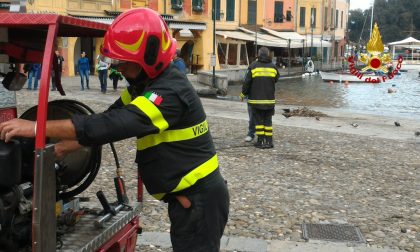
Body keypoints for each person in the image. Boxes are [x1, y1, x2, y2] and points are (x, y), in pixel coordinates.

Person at [0, 8, 229, 252]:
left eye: (123, 62)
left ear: (149, 58)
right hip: (190, 201)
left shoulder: (170, 92)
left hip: (198, 202)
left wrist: (36, 127)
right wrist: (72, 144)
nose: (118, 68)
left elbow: (117, 124)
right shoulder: (144, 85)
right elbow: (109, 117)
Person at [240, 47, 279, 149]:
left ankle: (260, 141)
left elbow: (246, 82)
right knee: (268, 122)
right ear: (268, 55)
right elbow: (276, 79)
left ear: (258, 54)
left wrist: (243, 94)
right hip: (269, 101)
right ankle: (269, 142)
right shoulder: (273, 67)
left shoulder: (253, 66)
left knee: (258, 122)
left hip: (256, 101)